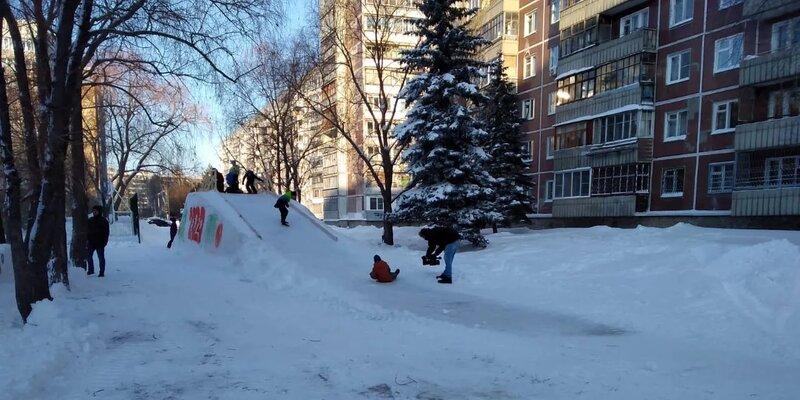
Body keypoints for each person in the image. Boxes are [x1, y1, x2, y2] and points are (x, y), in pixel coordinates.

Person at [87, 205, 110, 277]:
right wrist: (87, 239)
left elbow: (106, 232)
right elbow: (87, 231)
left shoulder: (103, 221)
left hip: (100, 242)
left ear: (99, 211)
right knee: (88, 256)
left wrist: (104, 242)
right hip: (91, 242)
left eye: (95, 211)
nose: (94, 212)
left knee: (101, 258)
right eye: (93, 211)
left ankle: (101, 272)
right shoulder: (90, 220)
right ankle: (91, 270)